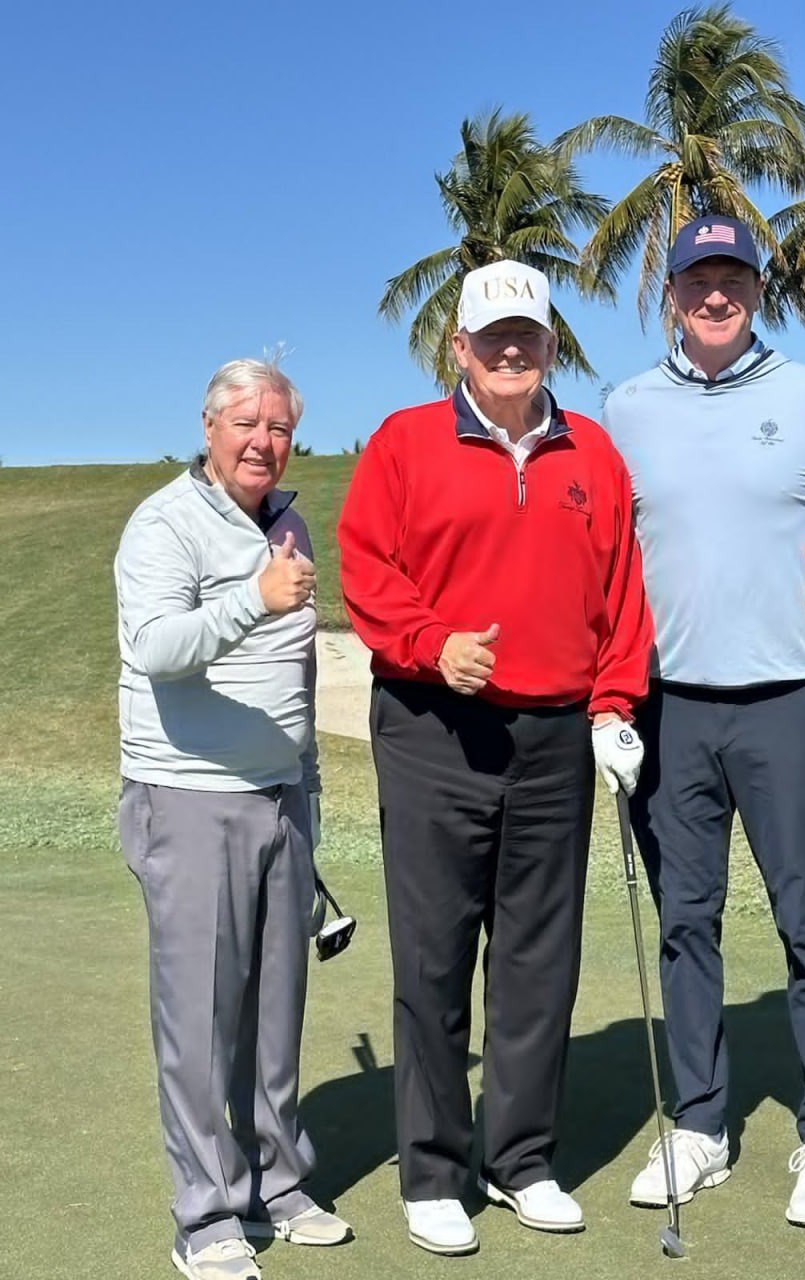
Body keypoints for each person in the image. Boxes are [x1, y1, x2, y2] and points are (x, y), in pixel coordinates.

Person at [338, 260, 654, 1255]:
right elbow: (367, 570)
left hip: (556, 736)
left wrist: (614, 705)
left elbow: (623, 592)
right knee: (434, 952)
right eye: (492, 337)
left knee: (539, 958)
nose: (511, 351)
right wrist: (433, 643)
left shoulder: (591, 451)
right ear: (460, 347)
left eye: (528, 335)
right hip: (435, 725)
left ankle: (520, 1159)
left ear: (551, 345)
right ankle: (434, 1170)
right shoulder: (404, 441)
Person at [603, 215, 805, 1228]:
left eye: (732, 277)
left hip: (784, 705)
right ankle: (700, 1124)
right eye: (698, 279)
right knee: (686, 922)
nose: (716, 294)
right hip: (669, 707)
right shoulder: (626, 408)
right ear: (673, 295)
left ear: (757, 290)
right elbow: (604, 552)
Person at [115, 359, 351, 1280]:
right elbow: (156, 648)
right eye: (246, 423)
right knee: (201, 1021)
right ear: (209, 427)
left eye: (279, 427)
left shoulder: (287, 522)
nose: (263, 441)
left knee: (274, 1012)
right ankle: (205, 1216)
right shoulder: (163, 523)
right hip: (188, 797)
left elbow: (296, 675)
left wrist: (309, 796)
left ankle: (276, 1186)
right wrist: (253, 599)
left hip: (278, 797)